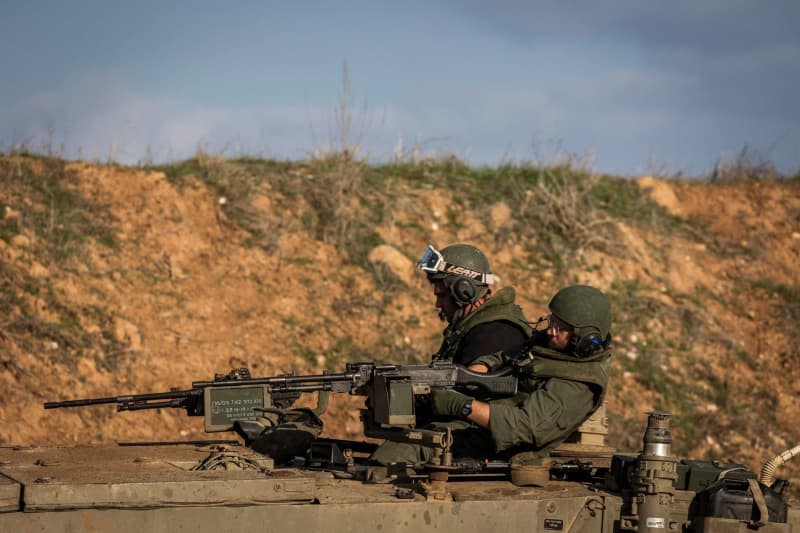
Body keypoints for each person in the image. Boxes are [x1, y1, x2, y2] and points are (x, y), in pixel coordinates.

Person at [369, 284, 612, 475]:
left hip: (502, 448)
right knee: (398, 444)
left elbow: (523, 427)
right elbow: (518, 352)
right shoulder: (556, 348)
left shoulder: (578, 385)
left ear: (584, 338)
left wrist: (462, 405)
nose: (550, 331)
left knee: (397, 455)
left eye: (560, 328)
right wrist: (482, 366)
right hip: (484, 429)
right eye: (552, 322)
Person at [415, 243, 531, 366]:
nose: (438, 304)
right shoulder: (470, 326)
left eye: (442, 295)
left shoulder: (492, 333)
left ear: (463, 291)